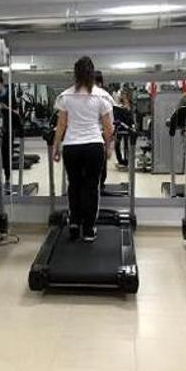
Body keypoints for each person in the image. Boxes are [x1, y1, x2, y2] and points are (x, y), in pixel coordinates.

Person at [52, 57, 114, 242]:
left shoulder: (66, 96)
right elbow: (108, 127)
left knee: (74, 184)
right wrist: (109, 146)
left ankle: (74, 223)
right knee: (91, 187)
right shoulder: (102, 96)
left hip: (72, 146)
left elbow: (61, 125)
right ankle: (88, 230)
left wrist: (56, 146)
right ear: (92, 74)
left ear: (75, 74)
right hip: (93, 146)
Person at [0, 69, 20, 189]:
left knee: (6, 155)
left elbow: (16, 112)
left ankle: (7, 178)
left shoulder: (9, 95)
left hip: (7, 129)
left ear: (2, 84)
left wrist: (6, 108)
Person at [95, 71, 116, 193]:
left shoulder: (105, 97)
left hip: (101, 136)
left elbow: (110, 123)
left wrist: (109, 147)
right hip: (88, 138)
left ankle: (100, 186)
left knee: (100, 167)